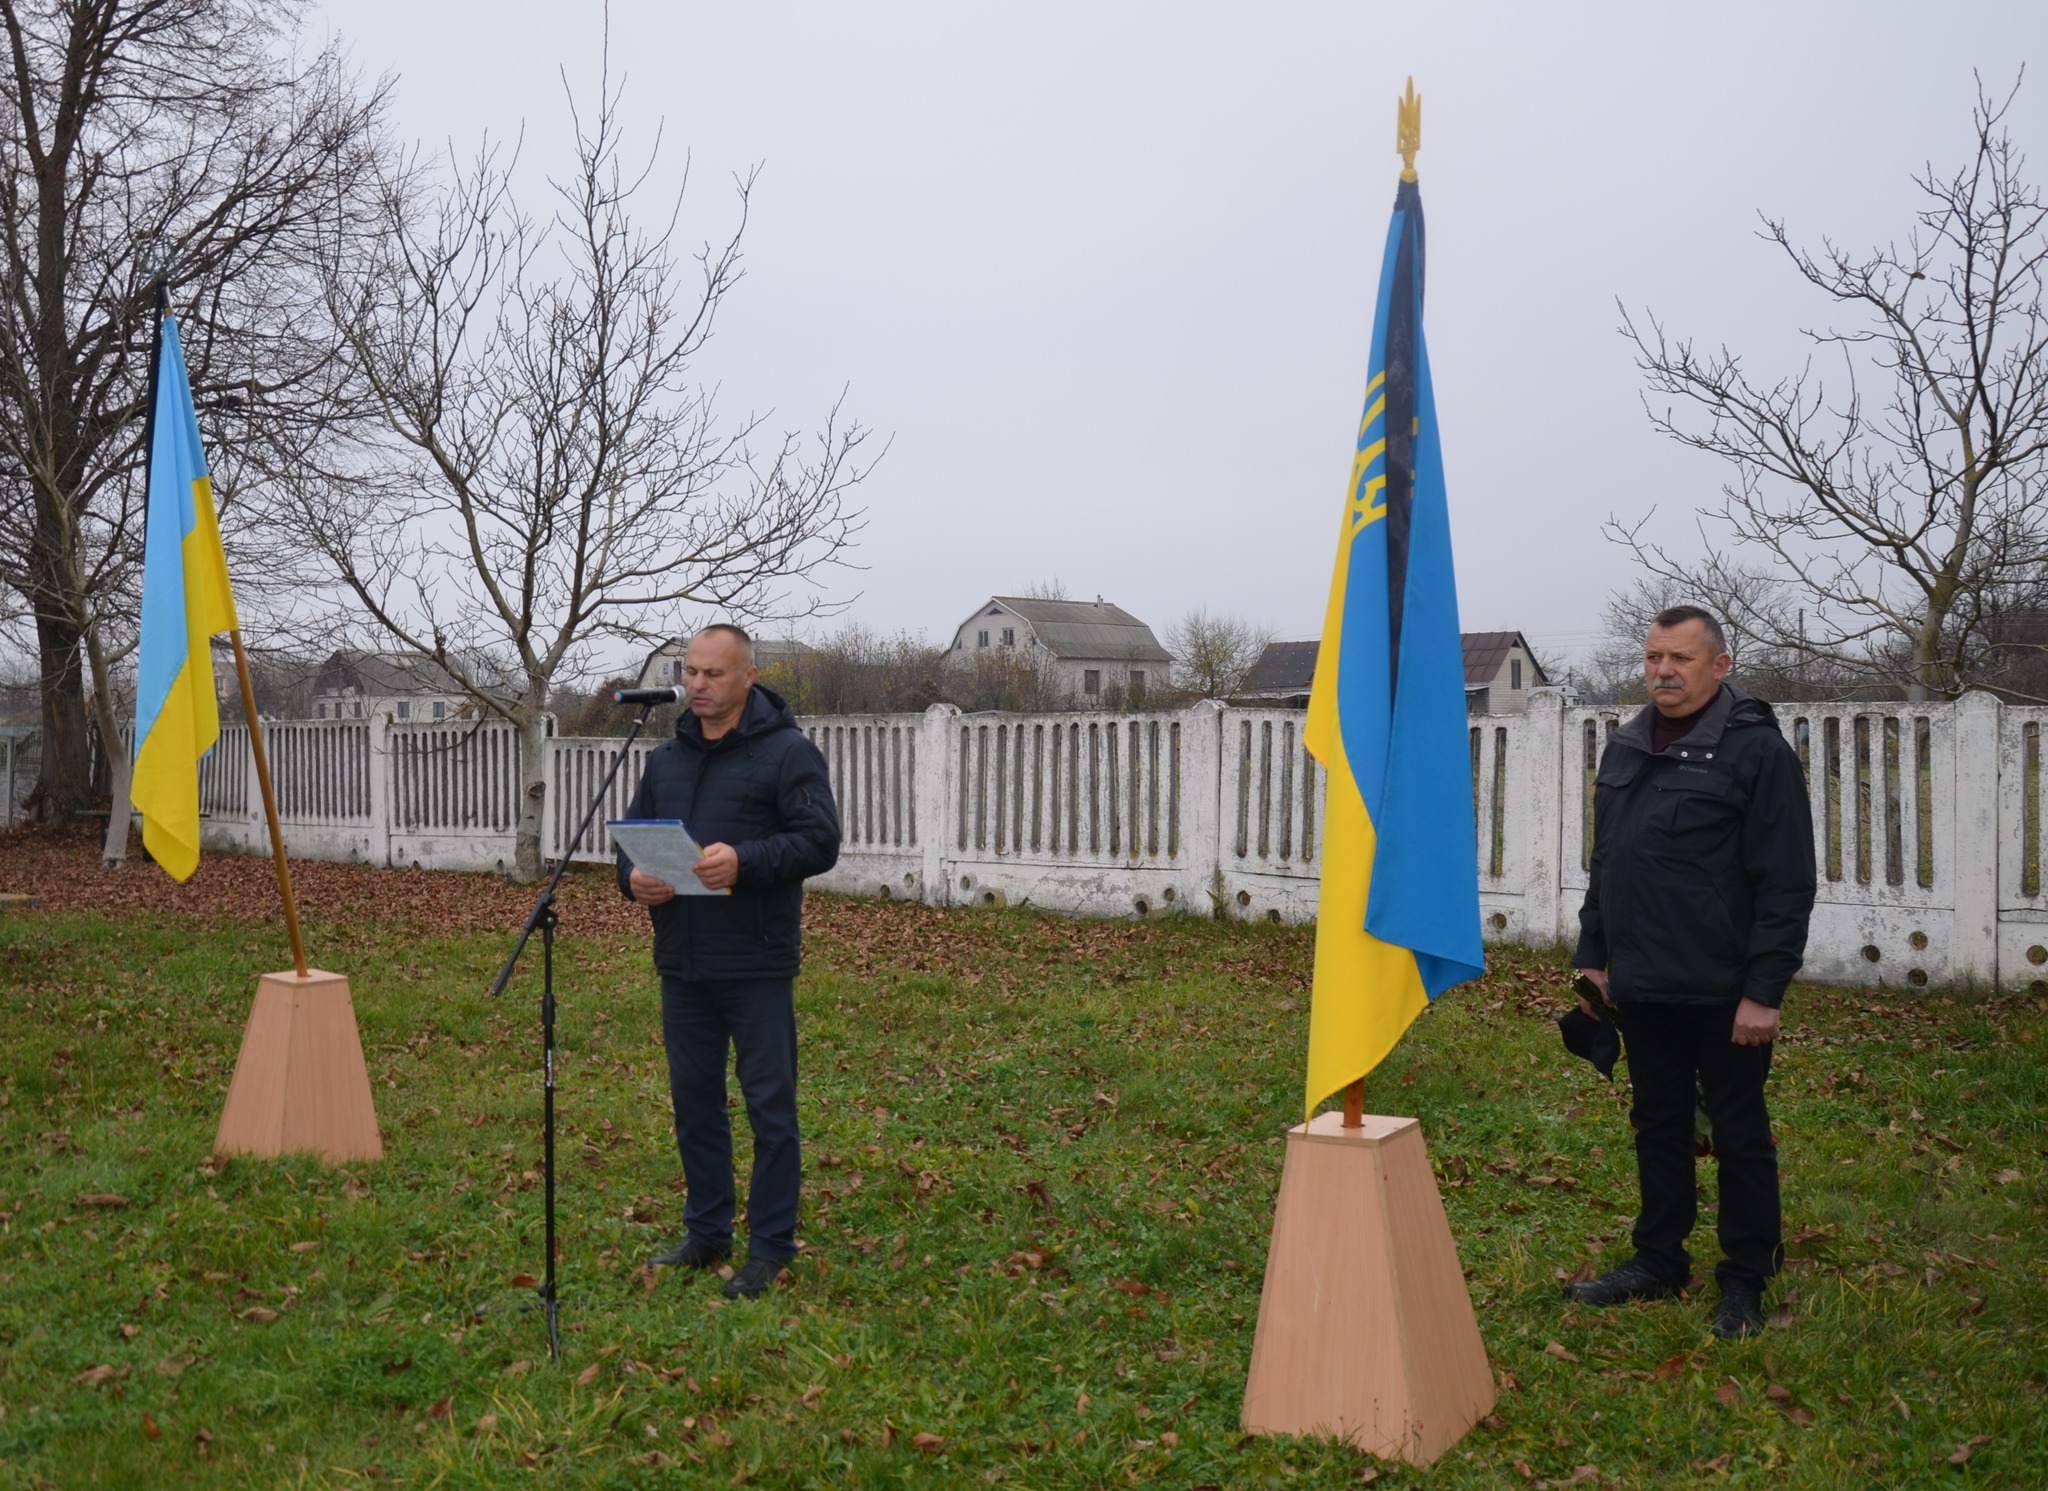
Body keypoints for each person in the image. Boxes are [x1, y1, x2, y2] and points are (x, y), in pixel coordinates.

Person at [1568, 605, 1816, 1339]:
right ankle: (1658, 1261)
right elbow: (1610, 861)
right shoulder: (1626, 746)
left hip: (1723, 989)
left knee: (1739, 1133)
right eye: (1653, 658)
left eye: (1679, 658)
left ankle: (1745, 1278)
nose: (1663, 672)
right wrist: (1593, 954)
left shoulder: (1757, 753)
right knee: (1658, 1124)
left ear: (1720, 664)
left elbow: (1786, 882)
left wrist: (1762, 993)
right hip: (1643, 982)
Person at [617, 623, 840, 1300]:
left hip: (757, 960)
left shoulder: (787, 753)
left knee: (769, 1107)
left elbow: (819, 840)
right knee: (695, 1103)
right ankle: (706, 1229)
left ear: (748, 676)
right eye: (691, 671)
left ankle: (770, 1244)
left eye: (714, 673)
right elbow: (631, 845)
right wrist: (634, 880)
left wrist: (743, 861)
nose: (698, 685)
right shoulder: (666, 760)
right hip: (683, 959)